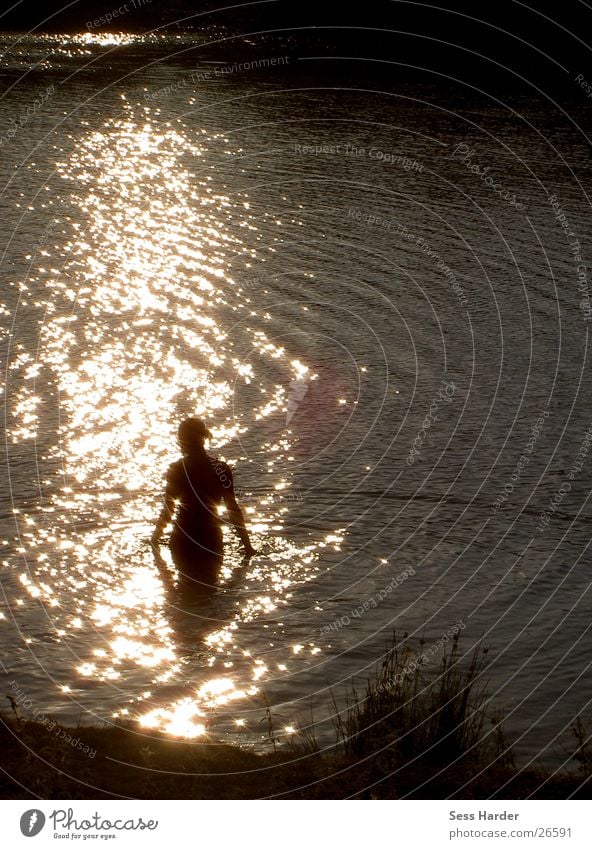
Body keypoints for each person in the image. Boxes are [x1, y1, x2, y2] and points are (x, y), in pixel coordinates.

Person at [151, 417, 255, 582]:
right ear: (204, 437)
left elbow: (168, 510)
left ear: (181, 441)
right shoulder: (221, 468)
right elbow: (233, 510)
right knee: (211, 588)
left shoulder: (177, 469)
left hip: (184, 539)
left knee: (184, 590)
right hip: (211, 539)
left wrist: (154, 540)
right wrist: (248, 546)